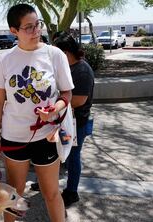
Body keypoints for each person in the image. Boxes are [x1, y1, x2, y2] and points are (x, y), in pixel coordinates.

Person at [0, 4, 74, 222]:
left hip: (46, 137)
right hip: (14, 138)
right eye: (28, 27)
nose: (36, 30)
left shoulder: (54, 54)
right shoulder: (4, 60)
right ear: (14, 30)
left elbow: (67, 95)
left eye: (37, 25)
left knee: (51, 193)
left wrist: (56, 109)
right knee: (14, 192)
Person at [53, 31, 95, 206]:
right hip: (65, 121)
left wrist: (55, 104)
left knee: (72, 155)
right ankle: (47, 184)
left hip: (75, 125)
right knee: (57, 153)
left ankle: (71, 192)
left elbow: (78, 100)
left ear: (65, 53)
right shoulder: (68, 67)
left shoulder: (82, 71)